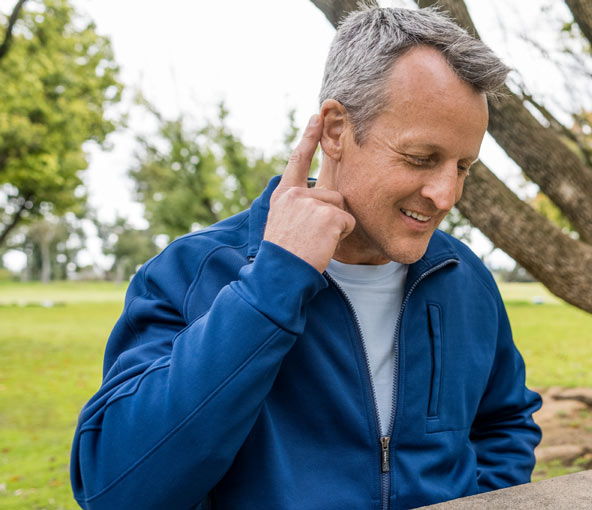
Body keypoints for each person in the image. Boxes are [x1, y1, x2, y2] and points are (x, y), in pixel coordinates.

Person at [70, 7, 542, 509]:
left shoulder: (464, 278)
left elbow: (503, 423)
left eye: (463, 166)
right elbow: (114, 489)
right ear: (336, 131)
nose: (446, 194)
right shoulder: (192, 273)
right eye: (421, 158)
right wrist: (273, 284)